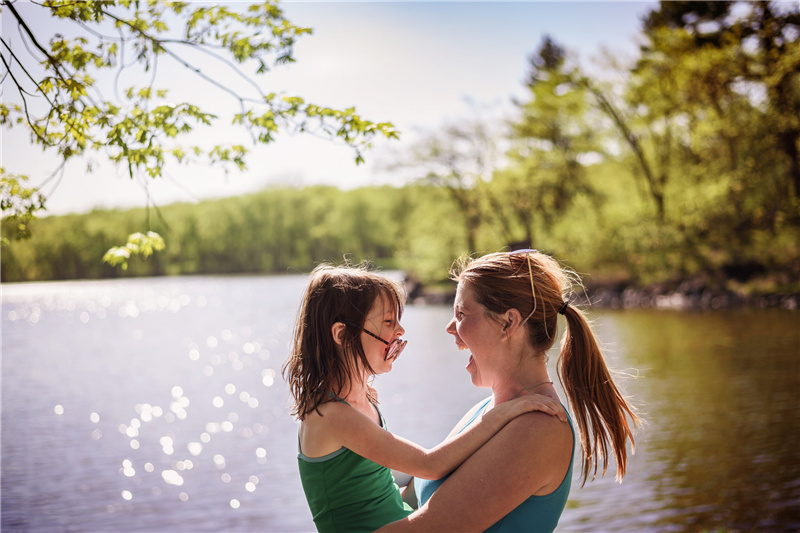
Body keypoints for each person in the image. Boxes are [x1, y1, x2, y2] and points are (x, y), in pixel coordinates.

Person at [282, 263, 568, 533]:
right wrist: (500, 415)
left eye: (462, 314)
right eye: (387, 321)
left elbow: (381, 478)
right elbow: (428, 467)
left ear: (509, 324)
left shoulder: (363, 401)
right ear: (342, 334)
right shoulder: (333, 415)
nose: (401, 331)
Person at [379, 250, 640, 532]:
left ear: (508, 323)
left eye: (462, 313)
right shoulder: (486, 412)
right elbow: (405, 501)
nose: (450, 327)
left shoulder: (541, 428)